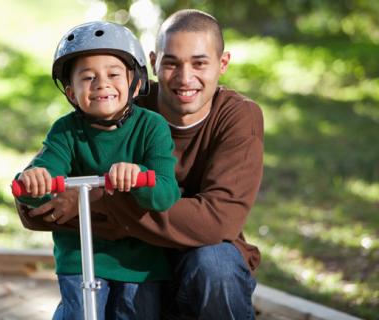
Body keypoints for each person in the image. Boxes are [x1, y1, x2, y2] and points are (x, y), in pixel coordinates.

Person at [16, 9, 264, 320]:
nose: (185, 78)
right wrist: (38, 188)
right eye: (171, 63)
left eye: (199, 63)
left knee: (216, 264)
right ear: (153, 62)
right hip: (124, 262)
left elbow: (216, 222)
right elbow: (35, 205)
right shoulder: (118, 102)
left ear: (222, 63)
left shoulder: (238, 117)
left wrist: (93, 200)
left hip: (196, 262)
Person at [13, 21, 180, 320]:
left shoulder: (151, 127)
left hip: (141, 261)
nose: (101, 83)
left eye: (113, 74)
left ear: (136, 83)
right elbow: (44, 176)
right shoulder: (65, 132)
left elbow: (165, 193)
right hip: (80, 257)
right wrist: (35, 181)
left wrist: (139, 176)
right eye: (88, 77)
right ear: (71, 93)